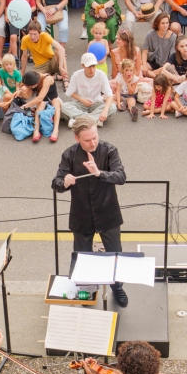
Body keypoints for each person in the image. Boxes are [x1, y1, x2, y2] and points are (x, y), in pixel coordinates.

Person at [53, 116, 129, 305]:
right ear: (77, 138)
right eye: (87, 140)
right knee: (82, 255)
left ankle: (117, 287)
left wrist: (99, 173)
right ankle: (86, 291)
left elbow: (121, 176)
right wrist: (65, 183)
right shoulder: (69, 155)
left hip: (107, 212)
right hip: (81, 214)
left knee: (114, 253)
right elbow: (56, 183)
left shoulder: (109, 150)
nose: (93, 142)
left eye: (95, 137)